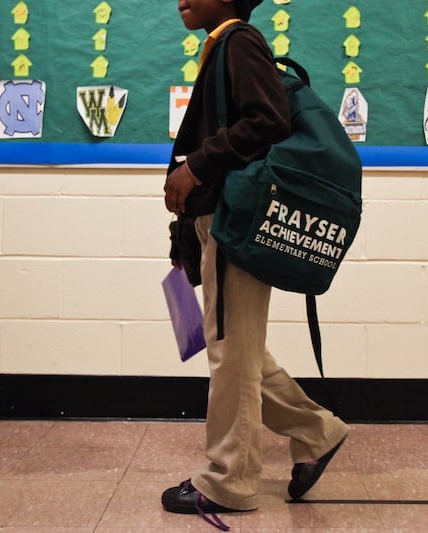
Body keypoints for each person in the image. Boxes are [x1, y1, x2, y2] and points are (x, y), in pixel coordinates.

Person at [161, 0, 350, 527]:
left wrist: (196, 166)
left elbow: (268, 119)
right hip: (219, 222)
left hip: (234, 223)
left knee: (231, 356)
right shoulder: (225, 44)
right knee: (239, 349)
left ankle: (229, 481)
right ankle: (318, 431)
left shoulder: (238, 40)